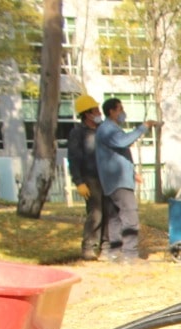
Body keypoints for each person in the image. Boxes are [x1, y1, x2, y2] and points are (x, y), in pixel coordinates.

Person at [94, 98, 157, 263]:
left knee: (115, 218)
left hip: (115, 181)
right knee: (130, 216)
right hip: (118, 182)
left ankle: (115, 254)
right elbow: (123, 142)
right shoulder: (107, 129)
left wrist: (133, 173)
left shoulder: (110, 129)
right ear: (112, 112)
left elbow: (119, 154)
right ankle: (130, 254)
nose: (123, 112)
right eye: (120, 109)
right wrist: (143, 127)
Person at [66, 94, 108, 261]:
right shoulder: (78, 133)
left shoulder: (103, 130)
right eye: (96, 110)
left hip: (107, 177)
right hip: (90, 178)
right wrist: (79, 182)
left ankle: (106, 246)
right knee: (96, 213)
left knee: (109, 212)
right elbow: (74, 158)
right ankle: (88, 247)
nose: (99, 113)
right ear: (87, 114)